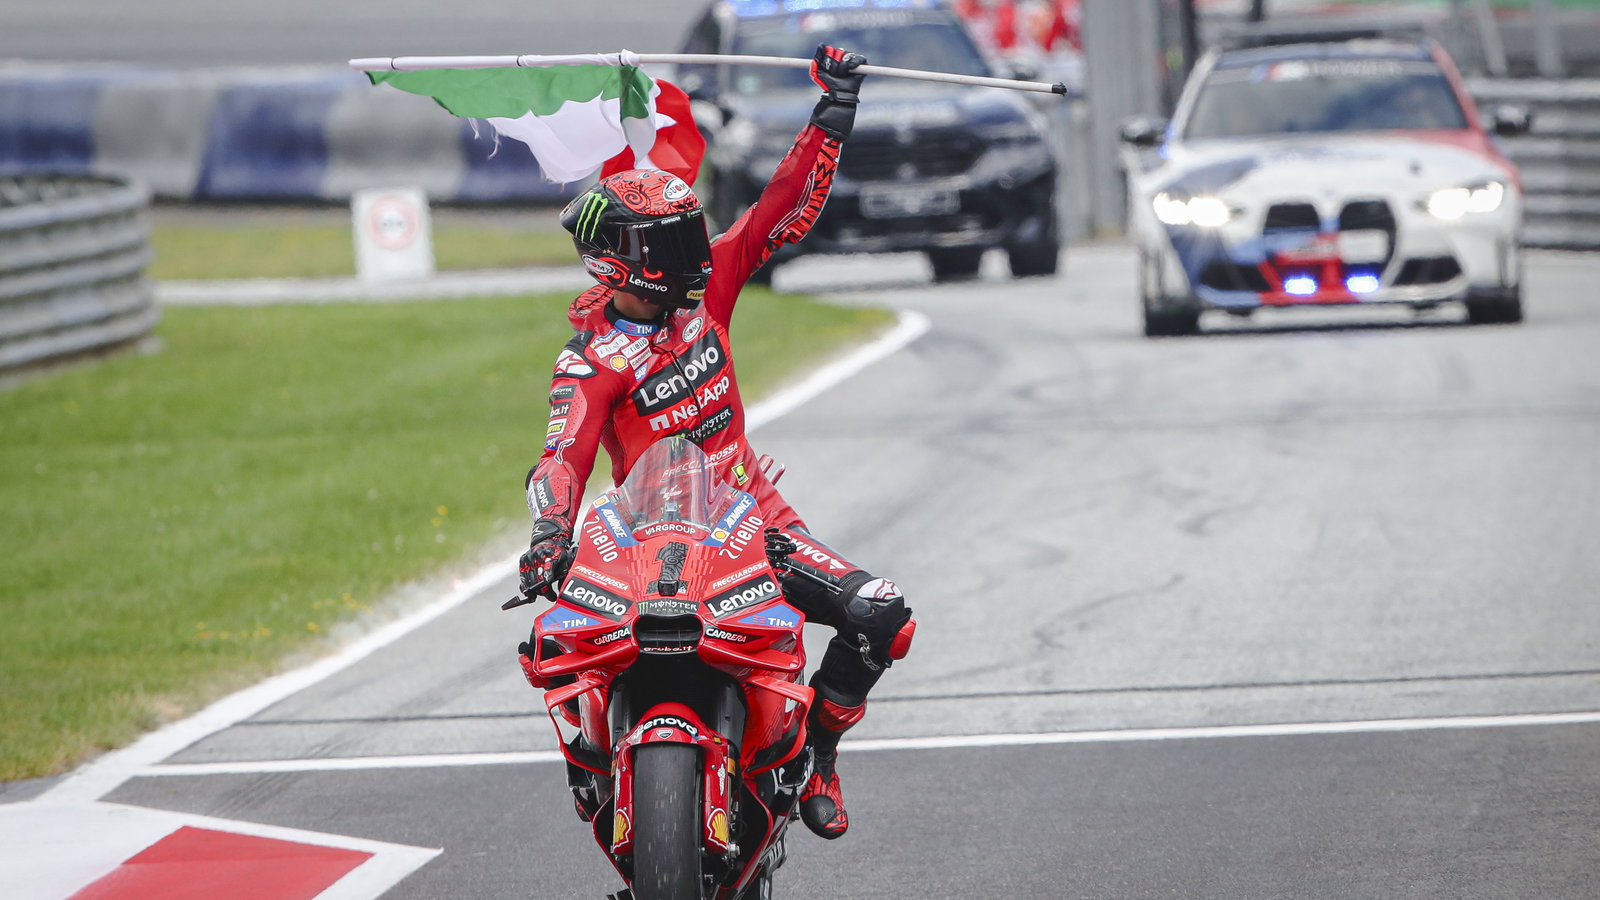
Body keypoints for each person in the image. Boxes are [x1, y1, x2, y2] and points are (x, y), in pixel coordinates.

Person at [516, 44, 914, 841]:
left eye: (693, 233)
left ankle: (820, 760)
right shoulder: (590, 361)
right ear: (622, 261)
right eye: (672, 243)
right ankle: (594, 772)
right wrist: (549, 538)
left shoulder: (709, 296)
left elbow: (779, 208)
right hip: (645, 539)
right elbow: (563, 458)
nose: (697, 255)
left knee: (884, 617)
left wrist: (833, 110)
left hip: (751, 521)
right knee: (551, 643)